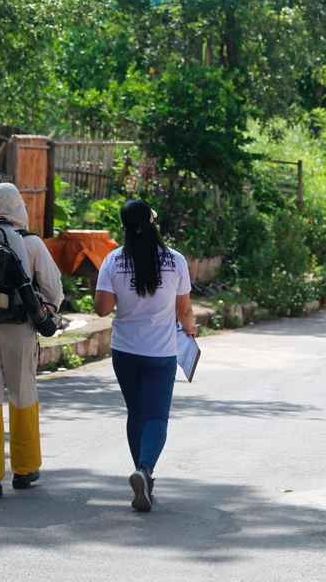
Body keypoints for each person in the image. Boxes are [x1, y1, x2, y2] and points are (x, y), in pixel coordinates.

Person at [94, 198, 198, 512]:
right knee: (156, 416)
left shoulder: (113, 260)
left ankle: (144, 478)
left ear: (124, 227)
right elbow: (183, 310)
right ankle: (145, 470)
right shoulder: (175, 260)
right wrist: (190, 329)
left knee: (136, 413)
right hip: (161, 353)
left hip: (125, 352)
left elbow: (102, 309)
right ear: (151, 223)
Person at [0, 183, 64, 498]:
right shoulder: (30, 242)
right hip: (19, 328)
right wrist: (48, 311)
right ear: (20, 209)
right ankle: (24, 469)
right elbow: (54, 291)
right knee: (23, 394)